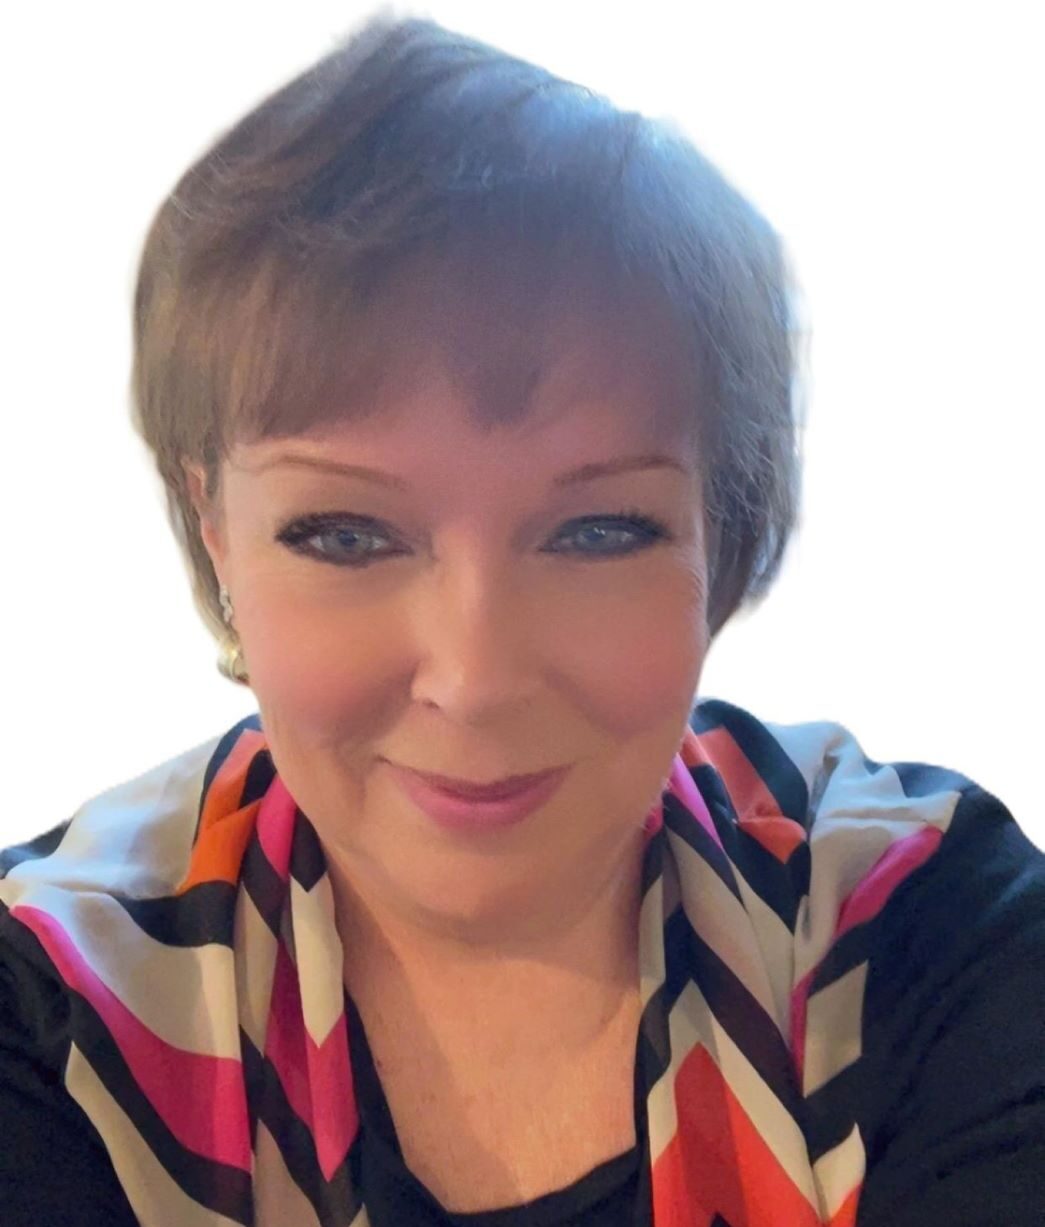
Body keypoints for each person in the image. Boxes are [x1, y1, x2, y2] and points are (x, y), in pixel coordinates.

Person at [1, 13, 1041, 1227]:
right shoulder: (52, 1014)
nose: (476, 677)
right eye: (346, 535)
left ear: (719, 534)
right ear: (217, 533)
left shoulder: (928, 929)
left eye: (598, 532)